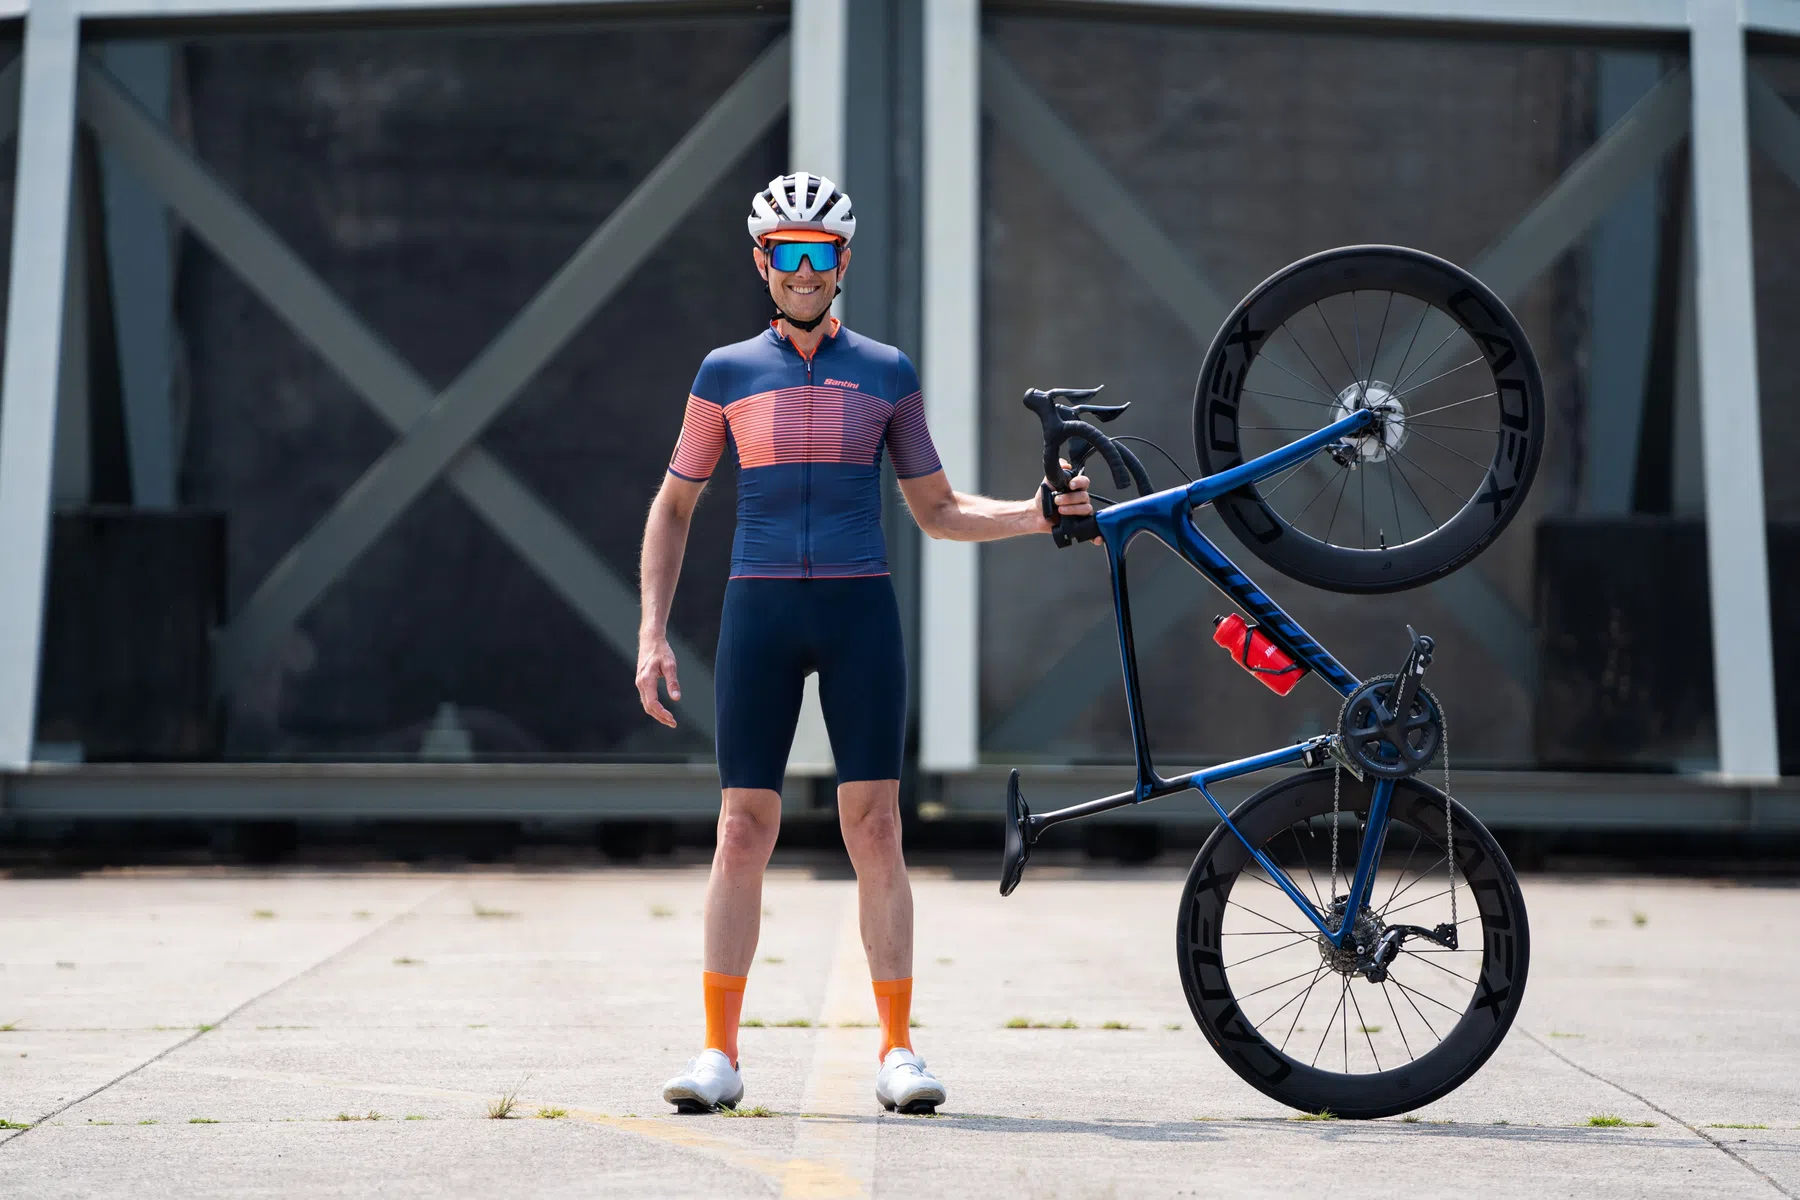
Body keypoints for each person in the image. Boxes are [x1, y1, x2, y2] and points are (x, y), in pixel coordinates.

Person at [637, 172, 1092, 1115]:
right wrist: (651, 630)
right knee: (741, 830)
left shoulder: (885, 372)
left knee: (877, 827)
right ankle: (718, 1053)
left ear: (842, 263)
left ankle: (897, 1050)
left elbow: (938, 508)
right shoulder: (723, 373)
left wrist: (1037, 513)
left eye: (822, 253)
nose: (805, 271)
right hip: (759, 611)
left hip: (858, 617)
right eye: (788, 253)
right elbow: (674, 505)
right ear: (764, 262)